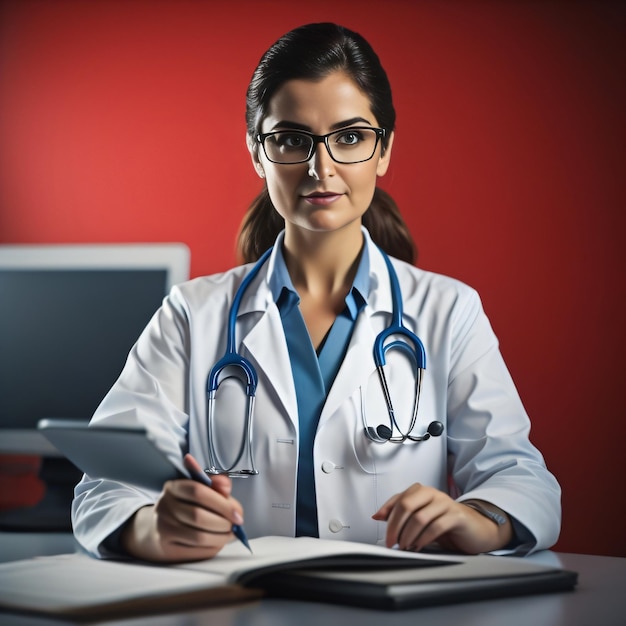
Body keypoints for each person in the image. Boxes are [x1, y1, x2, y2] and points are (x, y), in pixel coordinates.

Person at [73, 23, 561, 562]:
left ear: (384, 151)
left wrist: (481, 520)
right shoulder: (192, 314)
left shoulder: (448, 311)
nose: (320, 168)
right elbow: (104, 485)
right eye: (290, 139)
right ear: (258, 153)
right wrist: (151, 528)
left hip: (390, 607)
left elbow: (522, 478)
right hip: (235, 607)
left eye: (350, 137)